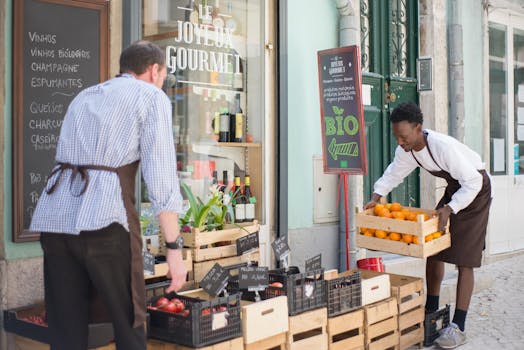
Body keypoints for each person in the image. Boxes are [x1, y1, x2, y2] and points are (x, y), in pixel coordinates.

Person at [30, 41, 187, 350]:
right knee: (129, 323)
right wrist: (174, 248)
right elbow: (161, 177)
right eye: (164, 75)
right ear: (154, 70)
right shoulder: (151, 97)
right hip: (105, 221)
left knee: (65, 331)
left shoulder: (84, 96)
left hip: (56, 220)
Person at [364, 102, 492, 349]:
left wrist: (450, 208)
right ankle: (430, 312)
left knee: (465, 259)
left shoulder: (442, 147)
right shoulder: (407, 150)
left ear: (418, 128)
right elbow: (394, 172)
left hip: (475, 192)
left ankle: (458, 326)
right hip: (456, 190)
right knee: (434, 250)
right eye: (396, 136)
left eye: (403, 136)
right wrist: (377, 195)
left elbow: (474, 181)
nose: (400, 141)